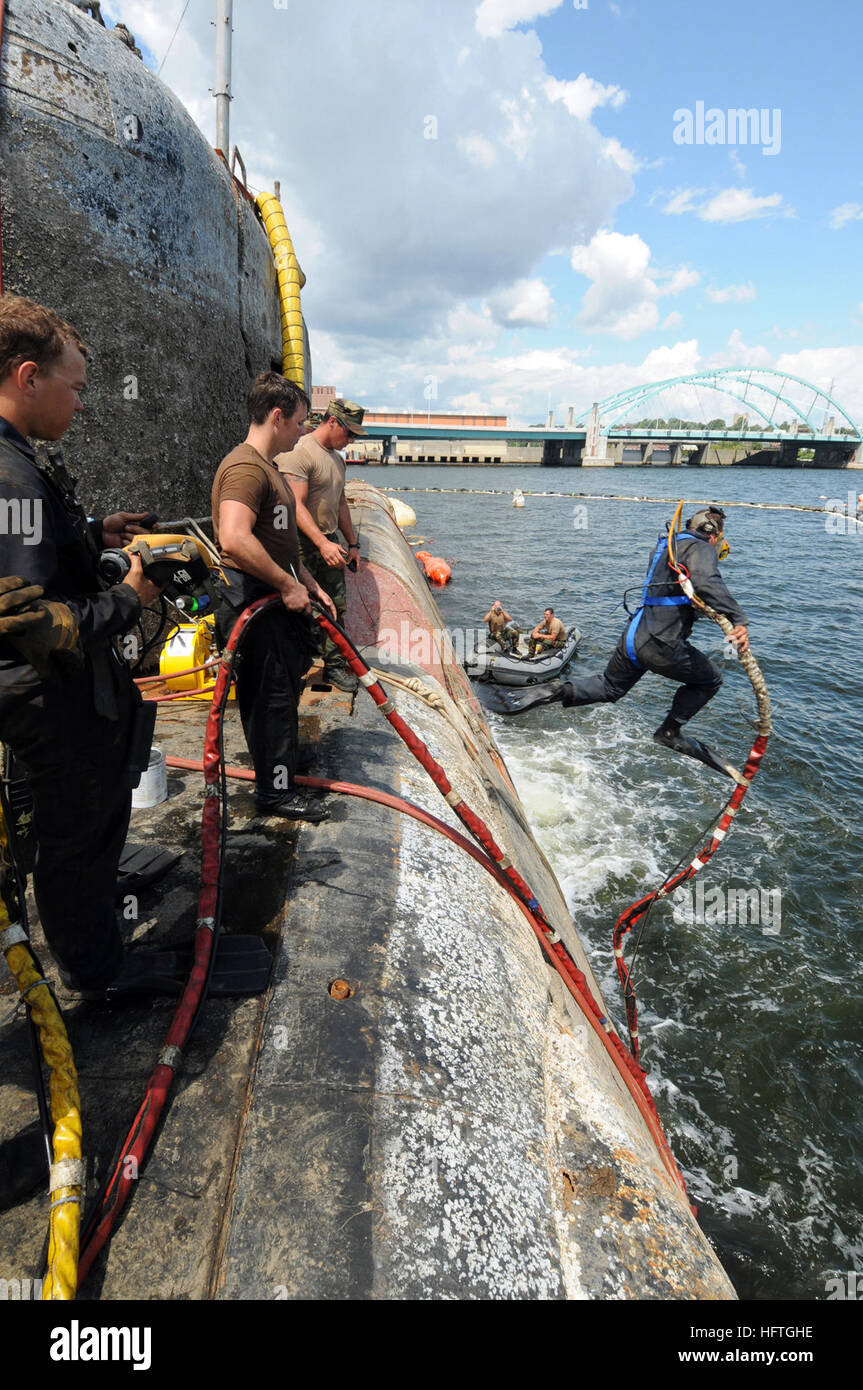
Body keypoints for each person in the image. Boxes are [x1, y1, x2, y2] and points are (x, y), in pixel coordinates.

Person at [0, 294, 162, 995]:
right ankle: (98, 975)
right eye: (75, 389)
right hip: (50, 701)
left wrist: (94, 533)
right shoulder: (13, 479)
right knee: (80, 831)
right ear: (28, 376)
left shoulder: (16, 467)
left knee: (73, 829)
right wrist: (132, 598)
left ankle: (90, 945)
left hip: (41, 697)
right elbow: (31, 627)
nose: (82, 405)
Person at [504, 508, 749, 773]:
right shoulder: (702, 547)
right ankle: (670, 732)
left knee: (609, 687)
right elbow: (707, 582)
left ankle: (540, 693)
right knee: (710, 679)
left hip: (635, 635)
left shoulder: (669, 545)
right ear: (713, 534)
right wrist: (738, 619)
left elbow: (678, 589)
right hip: (661, 643)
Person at [212, 371, 337, 822]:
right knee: (268, 698)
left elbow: (280, 543)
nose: (303, 431)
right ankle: (275, 792)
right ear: (278, 416)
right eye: (300, 422)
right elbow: (234, 538)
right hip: (256, 607)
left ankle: (282, 763)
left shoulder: (270, 469)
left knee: (284, 690)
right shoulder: (246, 468)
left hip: (280, 603)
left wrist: (310, 583)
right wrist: (287, 586)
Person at [277, 398, 365, 692]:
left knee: (335, 605)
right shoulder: (300, 453)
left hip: (328, 539)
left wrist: (352, 543)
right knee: (297, 606)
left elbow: (339, 502)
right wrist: (321, 544)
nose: (350, 440)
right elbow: (295, 507)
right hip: (301, 543)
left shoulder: (337, 460)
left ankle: (333, 667)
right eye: (349, 433)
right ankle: (293, 667)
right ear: (332, 422)